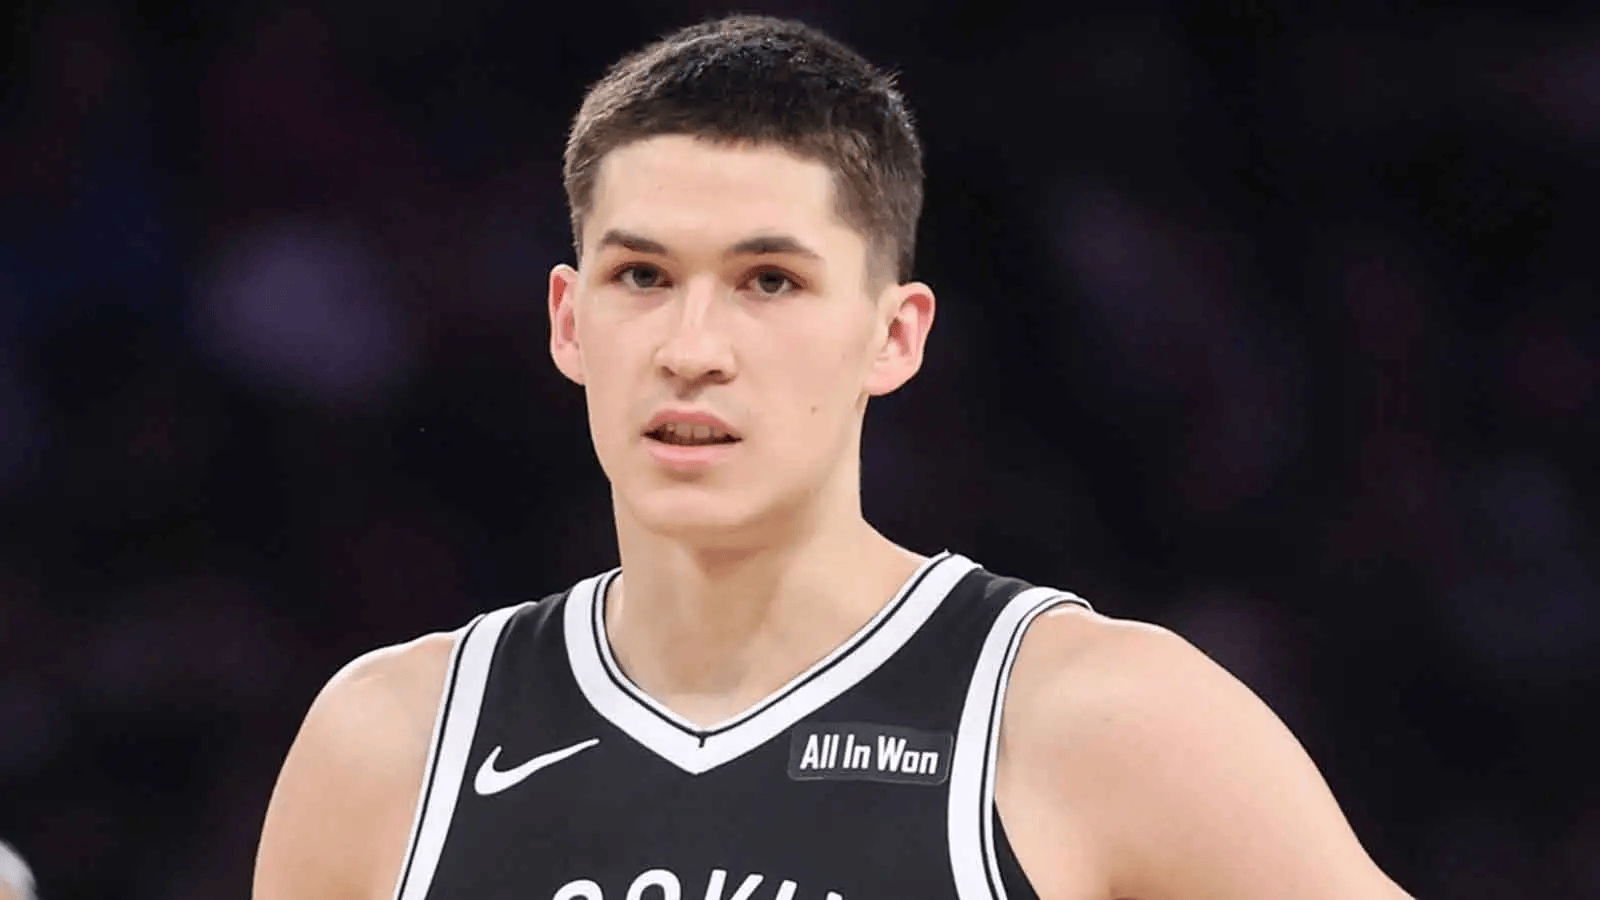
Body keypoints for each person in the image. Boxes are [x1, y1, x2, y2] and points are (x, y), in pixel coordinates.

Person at [254, 15, 1414, 900]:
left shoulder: (1098, 718)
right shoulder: (389, 745)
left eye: (769, 281)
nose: (691, 349)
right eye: (641, 276)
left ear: (893, 335)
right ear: (568, 321)